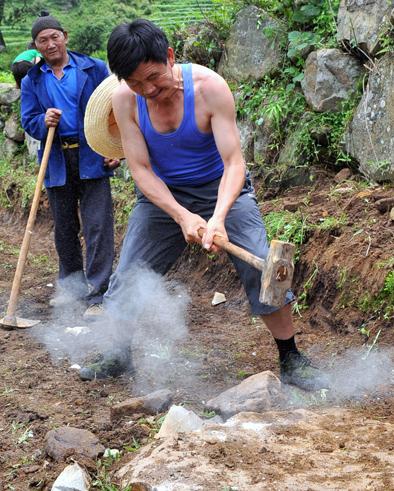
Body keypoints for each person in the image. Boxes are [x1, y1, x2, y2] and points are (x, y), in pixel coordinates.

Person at [85, 18, 327, 390]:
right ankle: (119, 355)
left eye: (153, 77)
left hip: (222, 189)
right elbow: (141, 170)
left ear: (169, 56)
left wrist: (216, 218)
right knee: (130, 274)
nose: (148, 89)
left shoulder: (210, 88)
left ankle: (291, 357)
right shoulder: (124, 100)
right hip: (162, 196)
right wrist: (182, 216)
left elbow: (234, 163)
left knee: (263, 268)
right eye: (135, 83)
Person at [20, 14, 119, 319]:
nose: (50, 44)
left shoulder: (93, 68)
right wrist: (42, 121)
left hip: (93, 154)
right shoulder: (32, 80)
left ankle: (99, 295)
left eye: (54, 37)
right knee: (64, 229)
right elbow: (29, 120)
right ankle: (72, 288)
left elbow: (115, 109)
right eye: (42, 40)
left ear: (65, 35)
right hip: (56, 160)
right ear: (36, 46)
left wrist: (118, 150)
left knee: (98, 227)